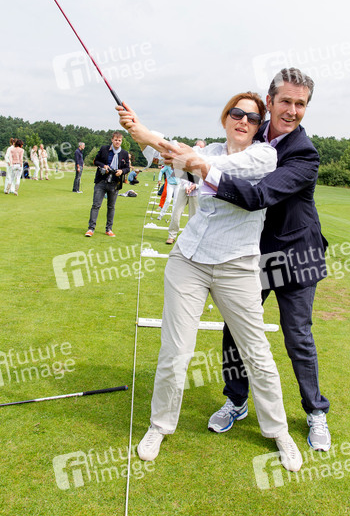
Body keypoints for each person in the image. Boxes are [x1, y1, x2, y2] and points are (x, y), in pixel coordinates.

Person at [117, 92, 303, 473]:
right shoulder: (209, 150)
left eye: (253, 118)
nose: (243, 121)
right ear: (225, 117)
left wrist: (165, 143)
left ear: (260, 126)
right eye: (237, 113)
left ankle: (279, 430)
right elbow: (171, 160)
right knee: (175, 352)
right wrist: (141, 133)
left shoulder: (264, 156)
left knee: (257, 354)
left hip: (238, 266)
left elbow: (212, 166)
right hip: (189, 260)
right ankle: (159, 425)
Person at [162, 68, 331, 452]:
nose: (292, 111)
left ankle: (315, 411)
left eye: (300, 104)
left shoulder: (304, 152)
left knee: (297, 336)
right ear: (269, 102)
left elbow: (258, 196)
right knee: (234, 331)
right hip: (250, 252)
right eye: (285, 101)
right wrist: (174, 152)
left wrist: (199, 166)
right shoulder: (251, 130)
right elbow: (217, 160)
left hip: (297, 254)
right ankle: (236, 400)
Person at [85, 132, 130, 237]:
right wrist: (104, 166)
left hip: (115, 183)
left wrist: (122, 171)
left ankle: (109, 229)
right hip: (101, 181)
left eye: (119, 140)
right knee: (96, 205)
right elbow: (96, 161)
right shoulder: (104, 149)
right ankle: (91, 229)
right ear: (112, 140)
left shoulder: (124, 153)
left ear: (121, 141)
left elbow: (127, 168)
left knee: (111, 207)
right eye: (116, 140)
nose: (117, 142)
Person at [165, 140, 205, 245]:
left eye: (201, 147)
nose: (198, 149)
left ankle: (191, 238)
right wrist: (186, 186)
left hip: (196, 191)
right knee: (176, 213)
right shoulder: (187, 158)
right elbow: (180, 172)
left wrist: (195, 186)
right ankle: (172, 235)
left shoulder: (205, 161)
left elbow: (205, 179)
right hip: (184, 188)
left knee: (194, 216)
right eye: (197, 146)